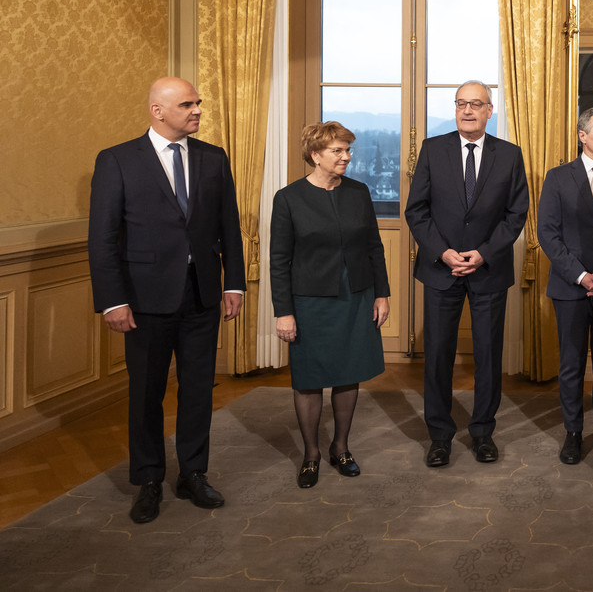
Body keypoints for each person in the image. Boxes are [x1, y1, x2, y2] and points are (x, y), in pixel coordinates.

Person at [87, 77, 245, 524]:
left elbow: (228, 226)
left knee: (197, 391)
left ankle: (193, 473)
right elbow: (102, 239)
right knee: (146, 394)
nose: (197, 110)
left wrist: (233, 283)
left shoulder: (214, 158)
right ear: (158, 111)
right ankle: (149, 480)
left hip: (202, 297)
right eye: (187, 104)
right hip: (144, 300)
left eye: (198, 103)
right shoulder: (117, 160)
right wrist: (112, 301)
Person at [405, 80, 529, 468]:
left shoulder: (509, 155)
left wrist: (484, 253)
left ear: (490, 111)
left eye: (476, 104)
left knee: (488, 356)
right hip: (441, 269)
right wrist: (443, 253)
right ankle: (440, 436)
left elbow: (516, 214)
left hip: (487, 270)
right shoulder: (432, 149)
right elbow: (416, 211)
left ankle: (482, 433)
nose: (468, 110)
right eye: (461, 103)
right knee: (438, 356)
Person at [270, 122, 389, 489]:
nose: (346, 157)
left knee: (347, 371)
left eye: (348, 150)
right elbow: (279, 260)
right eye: (338, 151)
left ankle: (341, 447)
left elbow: (373, 246)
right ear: (315, 155)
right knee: (309, 379)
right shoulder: (288, 198)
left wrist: (382, 294)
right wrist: (283, 311)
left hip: (356, 296)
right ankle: (311, 454)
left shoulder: (359, 192)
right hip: (309, 302)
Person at [537, 108, 593, 464]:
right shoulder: (557, 178)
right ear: (582, 136)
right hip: (571, 287)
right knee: (571, 364)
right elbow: (548, 235)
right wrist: (582, 276)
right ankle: (572, 432)